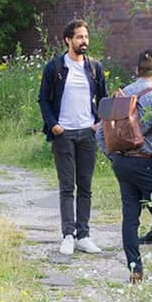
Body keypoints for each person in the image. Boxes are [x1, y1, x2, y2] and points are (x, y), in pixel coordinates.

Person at [99, 51, 152, 282]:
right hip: (146, 163)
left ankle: (135, 269)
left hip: (123, 162)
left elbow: (99, 133)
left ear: (136, 71)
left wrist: (114, 157)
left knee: (130, 217)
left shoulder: (122, 95)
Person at [38, 19, 108, 256]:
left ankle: (84, 235)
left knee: (85, 186)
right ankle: (68, 235)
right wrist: (53, 125)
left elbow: (104, 99)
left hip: (87, 133)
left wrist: (98, 123)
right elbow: (44, 99)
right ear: (68, 40)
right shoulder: (55, 67)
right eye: (79, 37)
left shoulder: (94, 68)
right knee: (67, 186)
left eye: (86, 37)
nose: (84, 41)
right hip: (63, 134)